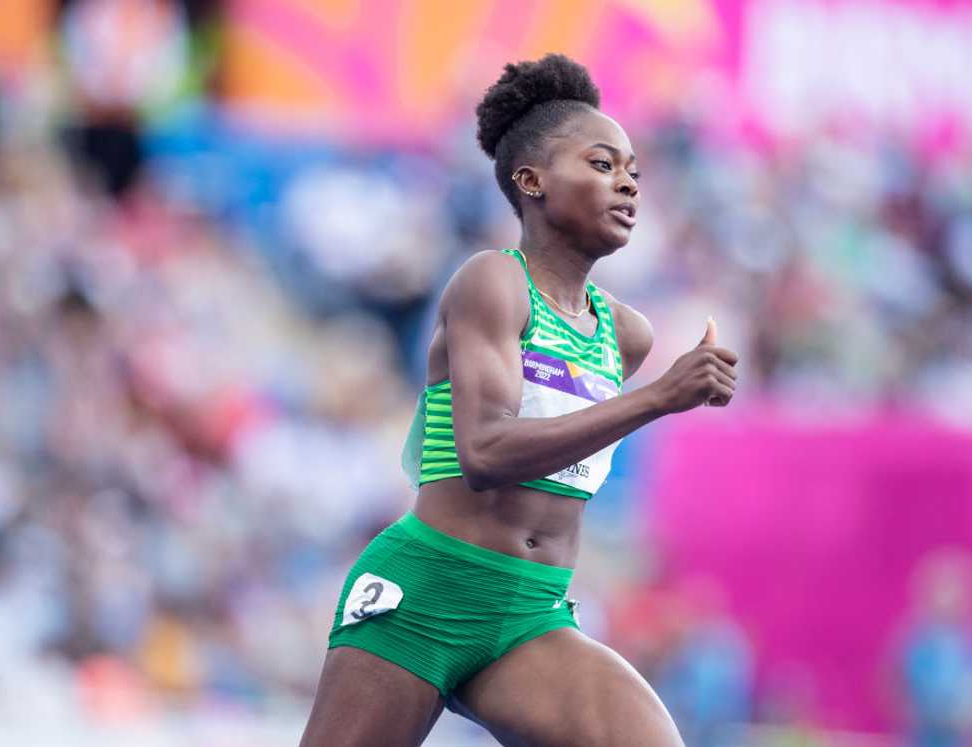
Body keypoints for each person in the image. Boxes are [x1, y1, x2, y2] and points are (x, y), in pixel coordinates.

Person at [300, 53, 738, 747]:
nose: (627, 182)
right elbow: (484, 453)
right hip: (429, 593)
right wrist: (658, 398)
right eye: (601, 164)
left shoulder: (626, 333)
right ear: (530, 180)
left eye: (634, 171)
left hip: (530, 614)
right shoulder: (492, 285)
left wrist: (656, 391)